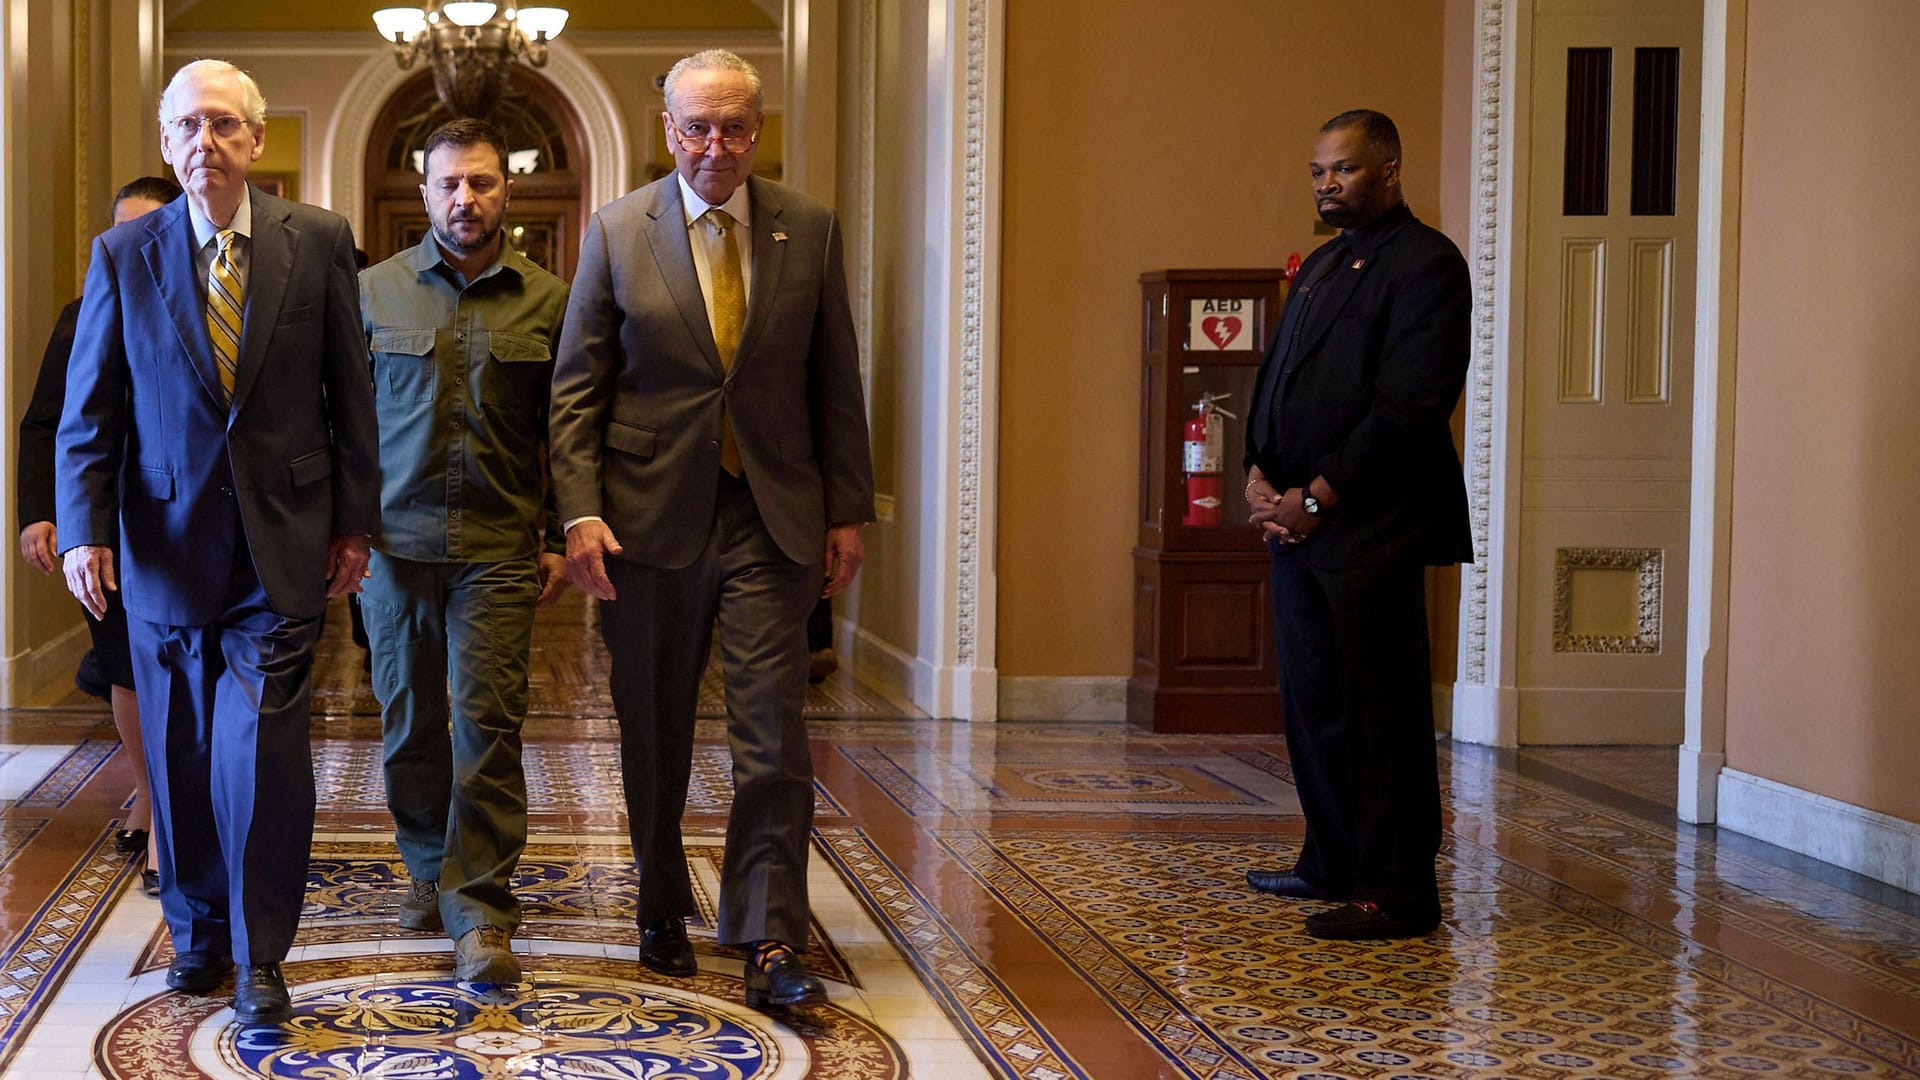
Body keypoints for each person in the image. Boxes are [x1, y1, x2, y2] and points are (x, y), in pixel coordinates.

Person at [549, 48, 874, 1008]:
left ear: (757, 129)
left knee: (771, 734)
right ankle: (657, 899)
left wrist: (847, 508)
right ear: (669, 131)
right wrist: (578, 511)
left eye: (733, 126)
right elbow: (578, 390)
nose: (714, 145)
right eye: (697, 126)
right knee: (653, 727)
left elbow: (834, 377)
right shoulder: (617, 231)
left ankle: (771, 936)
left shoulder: (806, 228)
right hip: (648, 523)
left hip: (773, 515)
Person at [56, 59, 378, 1022]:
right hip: (159, 545)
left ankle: (262, 951)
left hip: (283, 540)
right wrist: (83, 529)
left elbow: (349, 392)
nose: (207, 142)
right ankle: (197, 934)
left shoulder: (316, 240)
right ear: (168, 143)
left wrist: (354, 524)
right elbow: (91, 410)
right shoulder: (125, 255)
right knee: (180, 748)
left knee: (262, 753)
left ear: (256, 140)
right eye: (189, 126)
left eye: (226, 125)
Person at [1241, 109, 1472, 940]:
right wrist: (1261, 480)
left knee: (1381, 714)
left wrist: (1319, 496)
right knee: (1314, 705)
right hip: (1299, 525)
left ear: (1390, 170)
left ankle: (1399, 891)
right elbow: (1280, 380)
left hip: (1372, 527)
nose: (1326, 184)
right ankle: (1330, 861)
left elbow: (1408, 406)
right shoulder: (1327, 263)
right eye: (1316, 171)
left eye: (1342, 169)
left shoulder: (1427, 264)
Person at [359, 117, 570, 983]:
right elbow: (344, 424)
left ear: (506, 192)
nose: (465, 198)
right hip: (390, 548)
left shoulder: (551, 301)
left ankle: (481, 909)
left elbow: (566, 431)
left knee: (489, 729)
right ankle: (424, 868)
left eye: (481, 183)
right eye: (449, 184)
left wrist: (559, 534)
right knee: (410, 723)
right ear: (425, 194)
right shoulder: (371, 293)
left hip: (498, 547)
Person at [18, 175, 181, 895]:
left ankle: (189, 809)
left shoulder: (206, 309)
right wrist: (42, 511)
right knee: (123, 664)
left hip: (184, 520)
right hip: (106, 526)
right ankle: (149, 797)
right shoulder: (81, 313)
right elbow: (47, 423)